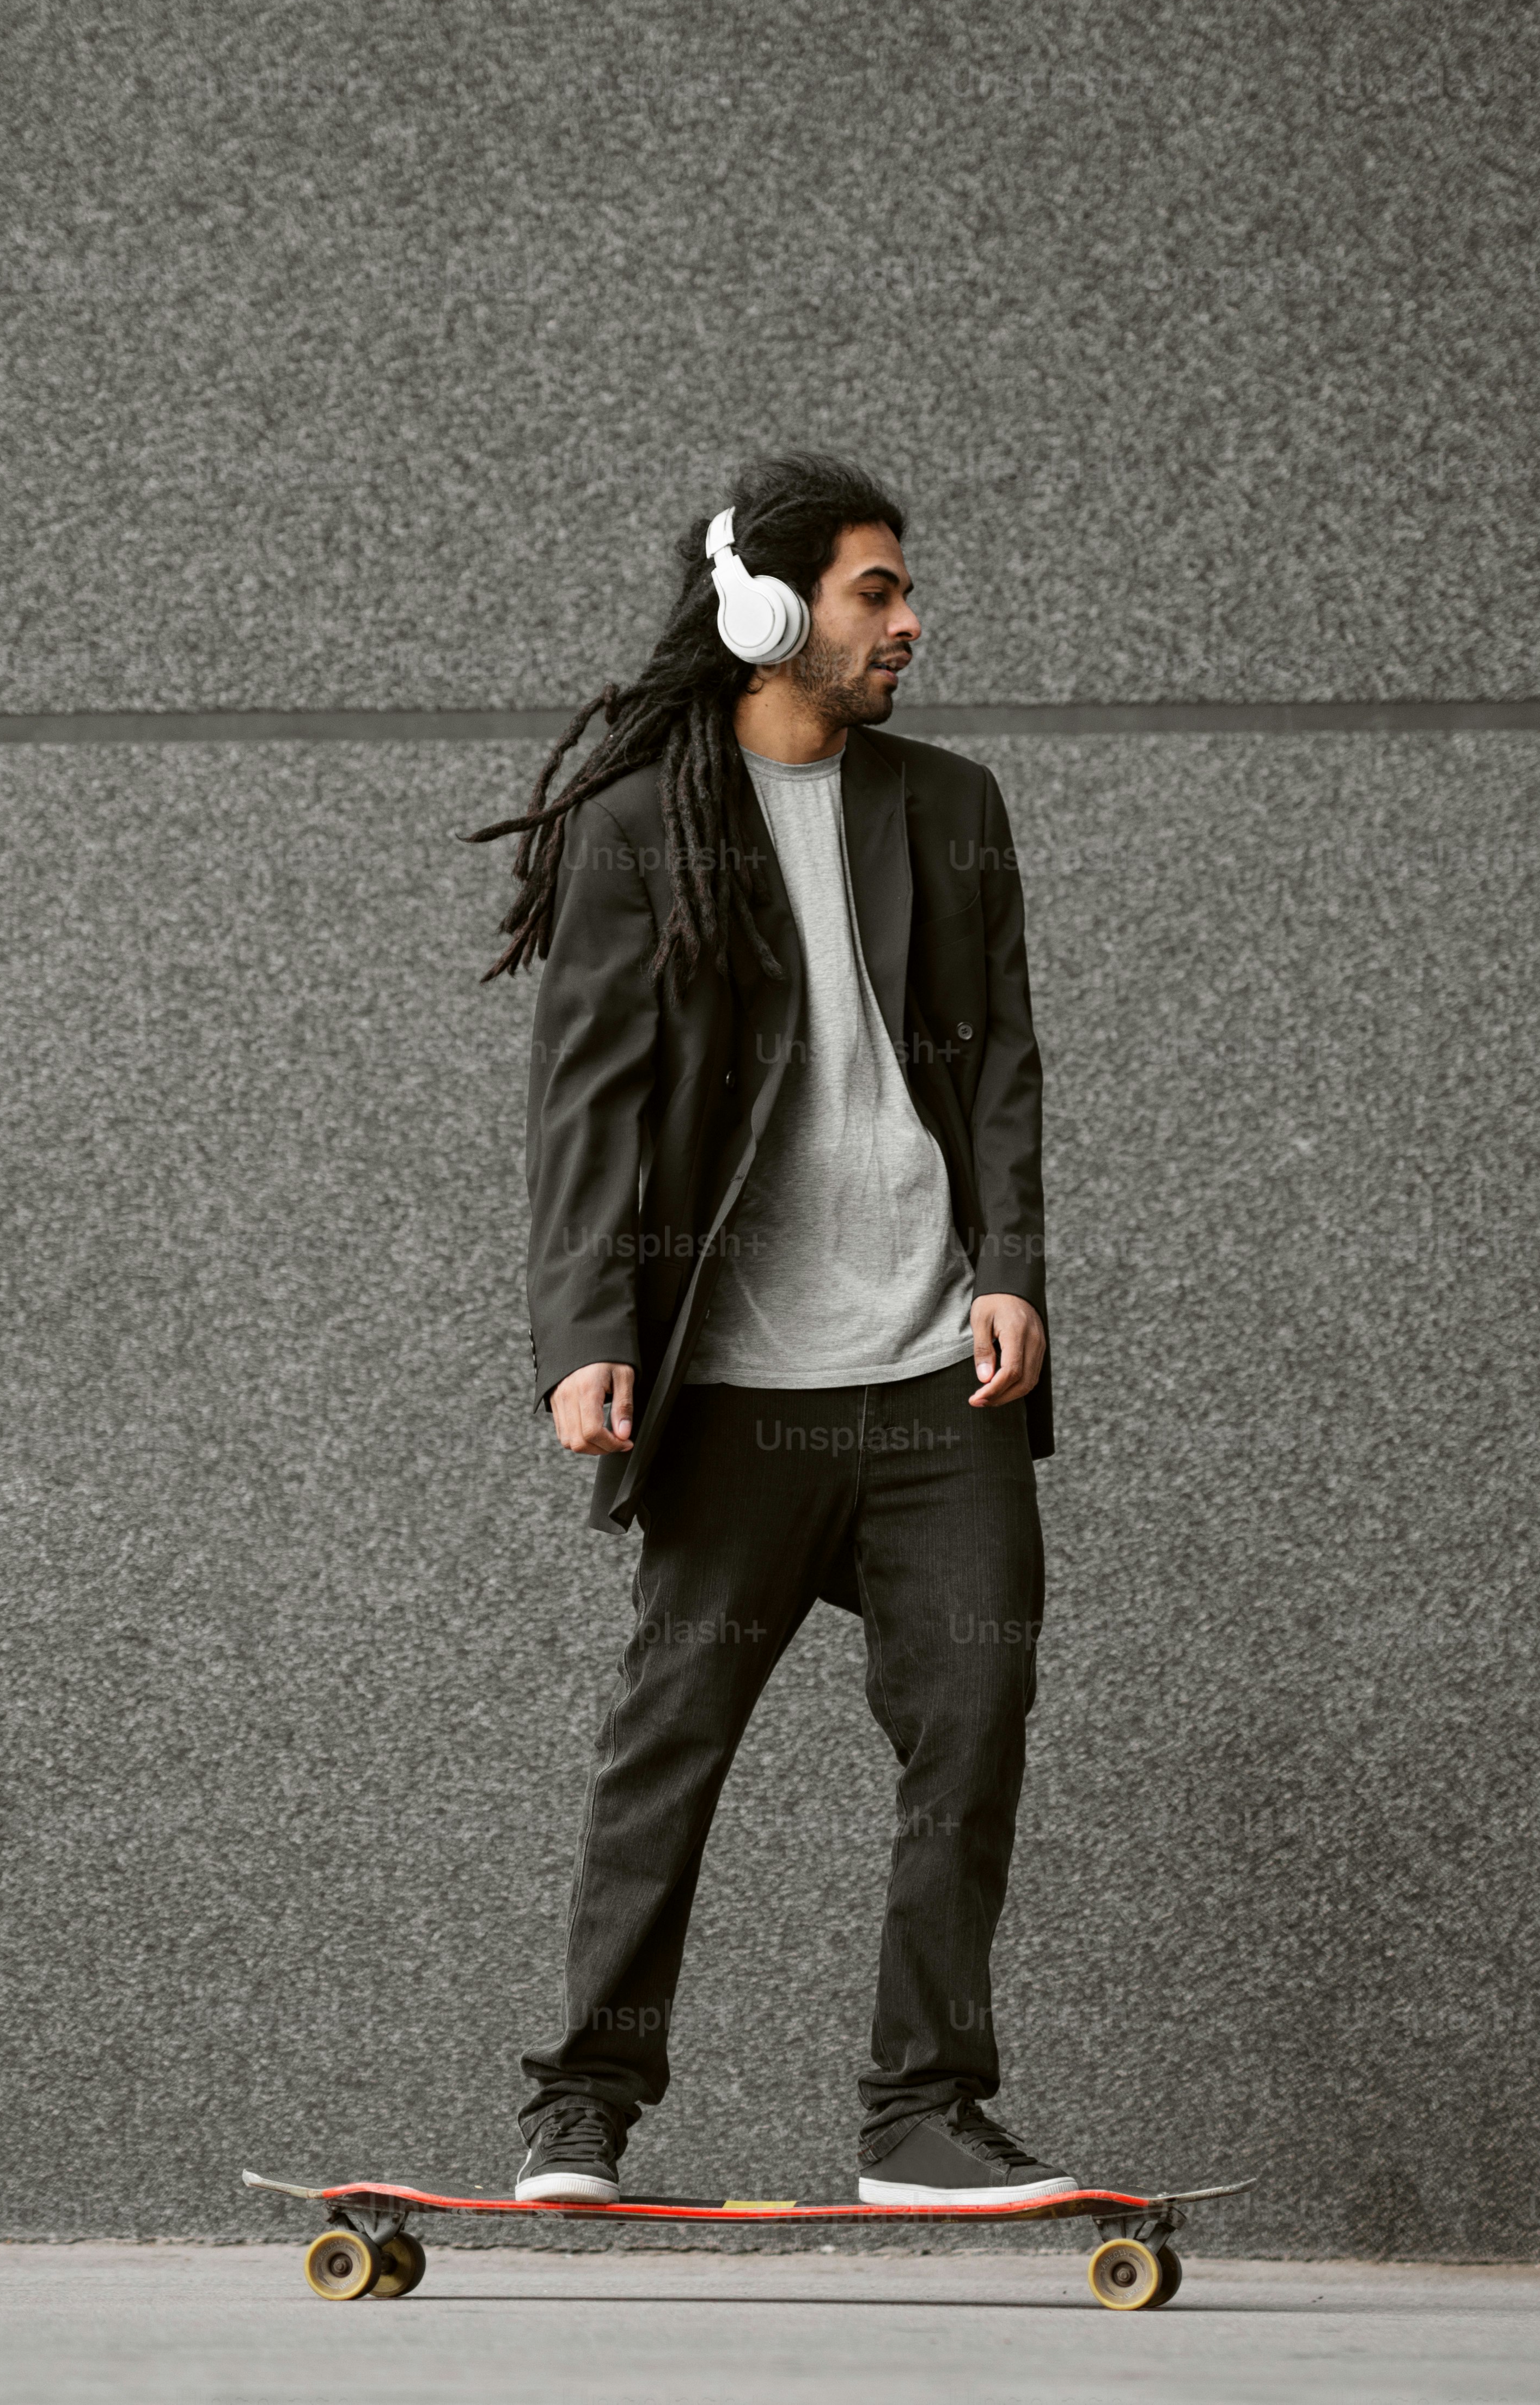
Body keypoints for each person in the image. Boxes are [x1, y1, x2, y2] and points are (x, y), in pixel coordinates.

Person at [461, 452, 1070, 2210]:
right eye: (878, 591)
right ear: (771, 613)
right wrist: (584, 1330)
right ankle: (579, 2103)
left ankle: (923, 2114)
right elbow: (586, 1105)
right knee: (671, 1744)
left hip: (933, 1375)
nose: (909, 622)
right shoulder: (640, 829)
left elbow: (1004, 1062)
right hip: (732, 1390)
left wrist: (1013, 1261)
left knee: (973, 1725)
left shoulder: (950, 805)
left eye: (901, 591)